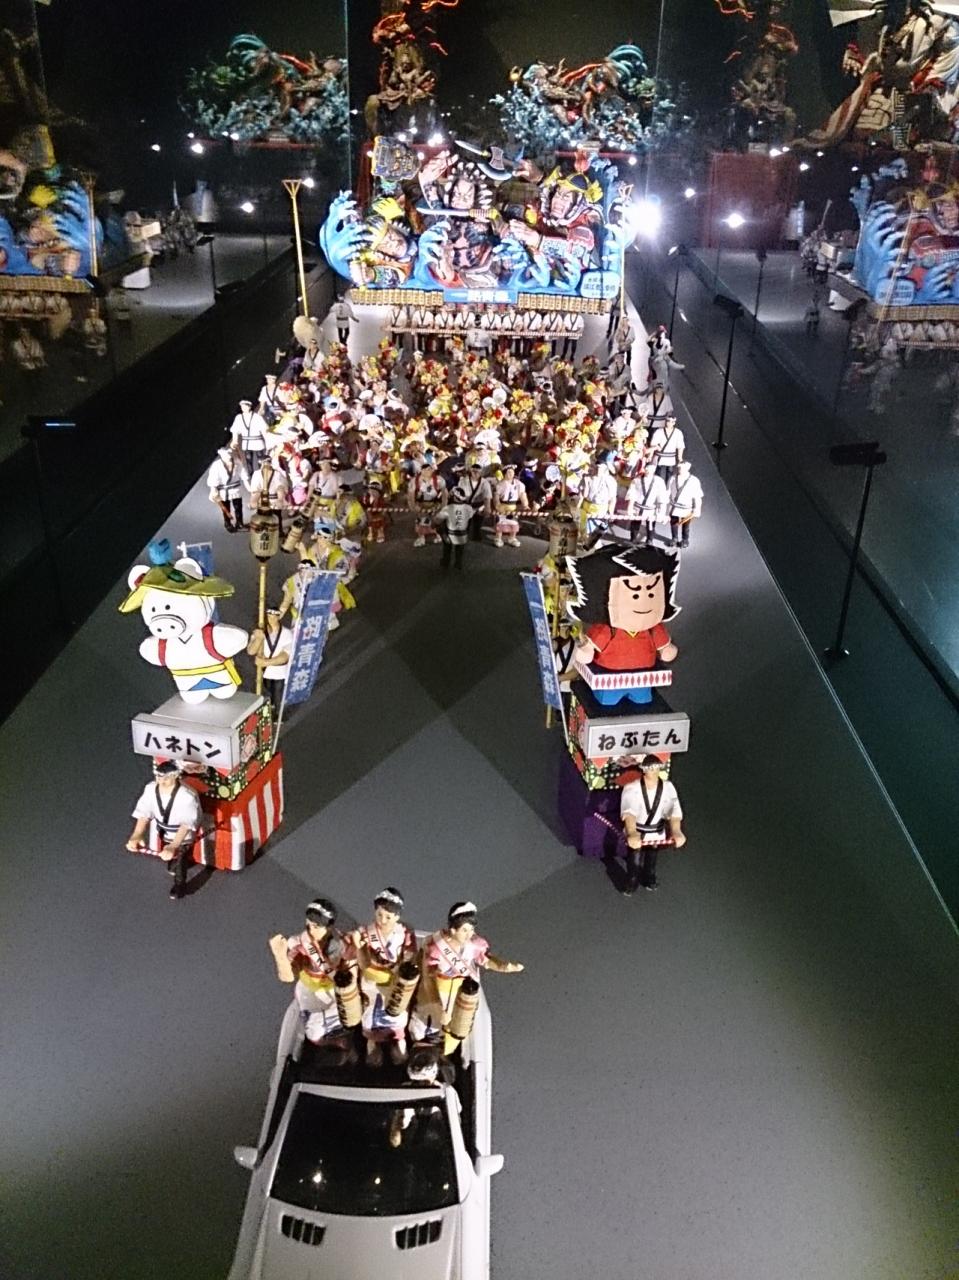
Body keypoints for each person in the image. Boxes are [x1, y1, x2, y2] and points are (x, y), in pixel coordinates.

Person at [567, 543, 680, 706]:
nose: (643, 603)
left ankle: (636, 696)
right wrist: (586, 651)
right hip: (610, 675)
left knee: (642, 698)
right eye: (635, 595)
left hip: (643, 676)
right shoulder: (608, 629)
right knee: (609, 701)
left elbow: (665, 648)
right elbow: (590, 650)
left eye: (651, 594)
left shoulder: (652, 627)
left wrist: (666, 649)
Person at [411, 902, 523, 1052]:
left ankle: (446, 1048)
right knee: (428, 1018)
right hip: (437, 987)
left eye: (471, 929)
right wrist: (437, 1006)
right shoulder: (437, 947)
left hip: (459, 989)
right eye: (464, 930)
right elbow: (429, 977)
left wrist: (503, 966)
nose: (469, 934)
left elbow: (486, 959)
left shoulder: (474, 945)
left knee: (457, 1019)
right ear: (453, 930)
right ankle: (421, 1043)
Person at [350, 888, 418, 1067]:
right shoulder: (365, 932)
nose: (383, 920)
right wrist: (359, 947)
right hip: (372, 981)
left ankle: (399, 1050)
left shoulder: (405, 932)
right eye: (379, 914)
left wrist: (403, 971)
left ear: (397, 916)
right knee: (371, 1015)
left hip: (394, 980)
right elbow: (362, 962)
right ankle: (373, 1050)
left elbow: (410, 956)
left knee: (397, 1014)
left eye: (388, 916)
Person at [269, 899, 350, 1045]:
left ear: (329, 926)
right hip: (310, 993)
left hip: (334, 992)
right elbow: (287, 977)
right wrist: (280, 955)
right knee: (313, 1034)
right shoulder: (300, 945)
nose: (311, 931)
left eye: (316, 927)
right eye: (308, 925)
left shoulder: (342, 943)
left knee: (350, 1017)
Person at [126, 760, 203, 900]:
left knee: (180, 856)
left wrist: (174, 845)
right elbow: (144, 812)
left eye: (166, 778)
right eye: (158, 777)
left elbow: (186, 824)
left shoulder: (186, 795)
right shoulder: (151, 789)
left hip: (182, 835)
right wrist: (137, 834)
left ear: (175, 776)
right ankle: (174, 861)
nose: (161, 781)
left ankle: (180, 885)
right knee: (168, 853)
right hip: (163, 829)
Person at [619, 756, 686, 894]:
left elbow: (674, 810)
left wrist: (676, 830)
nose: (654, 771)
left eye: (656, 768)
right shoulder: (632, 788)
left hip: (656, 831)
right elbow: (629, 813)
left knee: (652, 858)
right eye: (650, 768)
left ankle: (649, 877)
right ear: (644, 769)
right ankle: (632, 881)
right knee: (635, 859)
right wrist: (632, 832)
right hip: (638, 830)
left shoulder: (668, 787)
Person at [247, 606, 292, 714]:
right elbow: (251, 651)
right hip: (266, 671)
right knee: (268, 691)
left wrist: (266, 662)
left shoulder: (286, 633)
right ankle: (270, 710)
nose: (271, 619)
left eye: (273, 617)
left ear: (278, 617)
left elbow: (285, 656)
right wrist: (258, 639)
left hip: (280, 671)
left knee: (278, 694)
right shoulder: (260, 631)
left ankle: (279, 714)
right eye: (269, 616)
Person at [206, 445, 248, 532]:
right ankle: (227, 523)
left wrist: (248, 486)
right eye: (226, 455)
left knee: (238, 506)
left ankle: (239, 523)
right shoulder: (216, 465)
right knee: (226, 507)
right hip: (223, 490)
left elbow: (243, 473)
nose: (229, 456)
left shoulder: (236, 462)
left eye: (229, 454)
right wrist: (213, 489)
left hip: (236, 489)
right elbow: (213, 478)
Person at [435, 485, 474, 570]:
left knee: (447, 547)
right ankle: (458, 563)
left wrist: (435, 525)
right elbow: (470, 518)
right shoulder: (469, 508)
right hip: (463, 535)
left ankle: (446, 561)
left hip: (449, 536)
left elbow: (437, 520)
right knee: (459, 550)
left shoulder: (448, 508)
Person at [408, 462, 447, 547]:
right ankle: (421, 537)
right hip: (421, 504)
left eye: (429, 469)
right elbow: (411, 495)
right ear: (421, 470)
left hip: (435, 504)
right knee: (421, 522)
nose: (427, 472)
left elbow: (444, 493)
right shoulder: (415, 481)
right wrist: (413, 506)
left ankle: (437, 535)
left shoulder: (439, 479)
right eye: (425, 470)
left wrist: (443, 506)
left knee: (436, 521)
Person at [667, 461, 704, 548]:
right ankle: (674, 538)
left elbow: (697, 496)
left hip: (687, 507)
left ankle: (685, 540)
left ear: (687, 468)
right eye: (679, 468)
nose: (680, 469)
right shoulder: (672, 478)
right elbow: (667, 491)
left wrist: (696, 508)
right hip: (674, 506)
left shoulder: (694, 480)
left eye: (682, 468)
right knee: (674, 523)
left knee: (686, 525)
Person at [626, 467, 668, 544]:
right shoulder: (637, 480)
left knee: (650, 525)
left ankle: (649, 540)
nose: (648, 472)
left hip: (651, 509)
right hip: (638, 507)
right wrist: (630, 507)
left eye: (650, 470)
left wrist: (661, 512)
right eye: (647, 470)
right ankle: (633, 539)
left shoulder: (659, 481)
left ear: (654, 470)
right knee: (635, 524)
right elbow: (632, 493)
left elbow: (662, 497)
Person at [493, 463, 529, 547]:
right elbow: (496, 496)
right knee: (500, 523)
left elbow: (522, 494)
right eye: (508, 472)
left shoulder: (518, 484)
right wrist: (497, 505)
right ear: (504, 473)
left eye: (512, 472)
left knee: (514, 523)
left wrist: (525, 505)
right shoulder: (500, 484)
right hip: (502, 506)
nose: (511, 474)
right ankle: (498, 538)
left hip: (513, 507)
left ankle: (512, 538)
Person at [229, 399, 269, 475]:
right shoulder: (239, 418)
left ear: (249, 407)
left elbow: (264, 430)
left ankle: (261, 475)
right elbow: (235, 430)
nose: (243, 408)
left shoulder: (257, 417)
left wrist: (268, 441)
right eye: (242, 407)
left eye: (245, 406)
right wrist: (234, 440)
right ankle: (251, 476)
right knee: (248, 461)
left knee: (261, 460)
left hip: (257, 442)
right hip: (246, 443)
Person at [647, 414, 685, 483]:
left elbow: (680, 447)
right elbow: (653, 445)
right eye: (668, 421)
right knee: (657, 475)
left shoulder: (678, 433)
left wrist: (680, 458)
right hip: (659, 457)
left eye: (672, 422)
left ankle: (667, 487)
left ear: (674, 423)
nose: (669, 423)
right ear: (666, 421)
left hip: (670, 457)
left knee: (669, 475)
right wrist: (650, 456)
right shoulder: (659, 431)